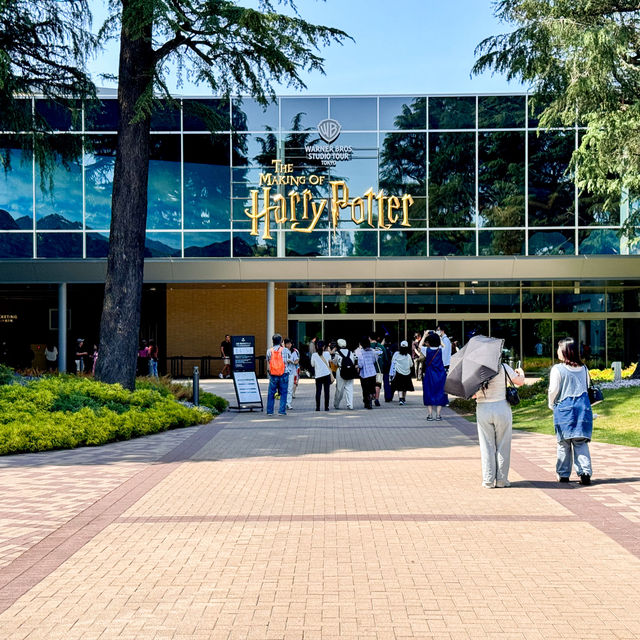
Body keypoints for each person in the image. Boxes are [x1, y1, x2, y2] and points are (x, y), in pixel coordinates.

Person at [548, 337, 594, 485]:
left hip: (564, 410)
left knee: (564, 443)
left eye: (559, 349)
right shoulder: (584, 368)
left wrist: (551, 403)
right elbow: (586, 388)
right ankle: (585, 472)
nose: (557, 351)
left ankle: (563, 474)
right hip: (583, 410)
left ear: (565, 351)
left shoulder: (558, 369)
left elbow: (553, 390)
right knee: (580, 442)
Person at [474, 359, 525, 488]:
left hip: (483, 409)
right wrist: (521, 372)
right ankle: (502, 480)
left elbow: (472, 395)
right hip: (502, 407)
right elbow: (520, 382)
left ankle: (488, 480)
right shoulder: (503, 367)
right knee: (503, 445)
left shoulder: (475, 370)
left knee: (487, 446)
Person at [419, 331, 448, 421]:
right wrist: (439, 337)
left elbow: (419, 346)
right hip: (440, 374)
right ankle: (438, 415)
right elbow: (445, 346)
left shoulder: (426, 350)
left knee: (429, 392)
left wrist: (424, 336)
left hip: (429, 374)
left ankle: (430, 415)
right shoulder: (441, 350)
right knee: (440, 393)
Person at [266, 333, 290, 416]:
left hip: (273, 374)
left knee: (271, 393)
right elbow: (288, 360)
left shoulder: (269, 351)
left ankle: (270, 411)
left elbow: (268, 361)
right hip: (284, 373)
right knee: (283, 392)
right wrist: (283, 346)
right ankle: (281, 411)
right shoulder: (285, 350)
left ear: (272, 341)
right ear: (280, 341)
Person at [332, 338, 356, 410]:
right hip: (350, 371)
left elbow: (335, 363)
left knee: (339, 389)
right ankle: (350, 404)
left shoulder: (337, 353)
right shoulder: (350, 352)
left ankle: (336, 404)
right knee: (349, 388)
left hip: (340, 371)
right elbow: (353, 362)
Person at [355, 336, 377, 409]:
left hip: (364, 373)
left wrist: (358, 366)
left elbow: (360, 364)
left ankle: (367, 402)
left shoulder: (360, 352)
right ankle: (370, 400)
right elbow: (374, 360)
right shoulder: (373, 351)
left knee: (365, 389)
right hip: (372, 372)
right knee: (371, 388)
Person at [390, 341, 414, 405]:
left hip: (398, 373)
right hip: (407, 373)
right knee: (405, 387)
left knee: (400, 387)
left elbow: (392, 361)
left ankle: (400, 399)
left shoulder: (396, 354)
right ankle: (403, 398)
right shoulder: (408, 356)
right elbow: (411, 365)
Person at [311, 340, 332, 411]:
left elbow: (312, 364)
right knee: (327, 391)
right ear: (324, 347)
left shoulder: (314, 355)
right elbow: (330, 362)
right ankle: (326, 407)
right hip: (327, 374)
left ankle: (318, 407)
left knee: (318, 391)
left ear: (317, 346)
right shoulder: (327, 354)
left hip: (318, 375)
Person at [283, 338, 299, 410]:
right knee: (283, 388)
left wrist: (292, 362)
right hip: (283, 371)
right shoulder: (282, 351)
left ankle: (288, 403)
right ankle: (283, 403)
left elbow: (296, 361)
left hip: (291, 371)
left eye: (290, 344)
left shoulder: (294, 352)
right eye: (287, 344)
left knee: (290, 388)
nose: (289, 345)